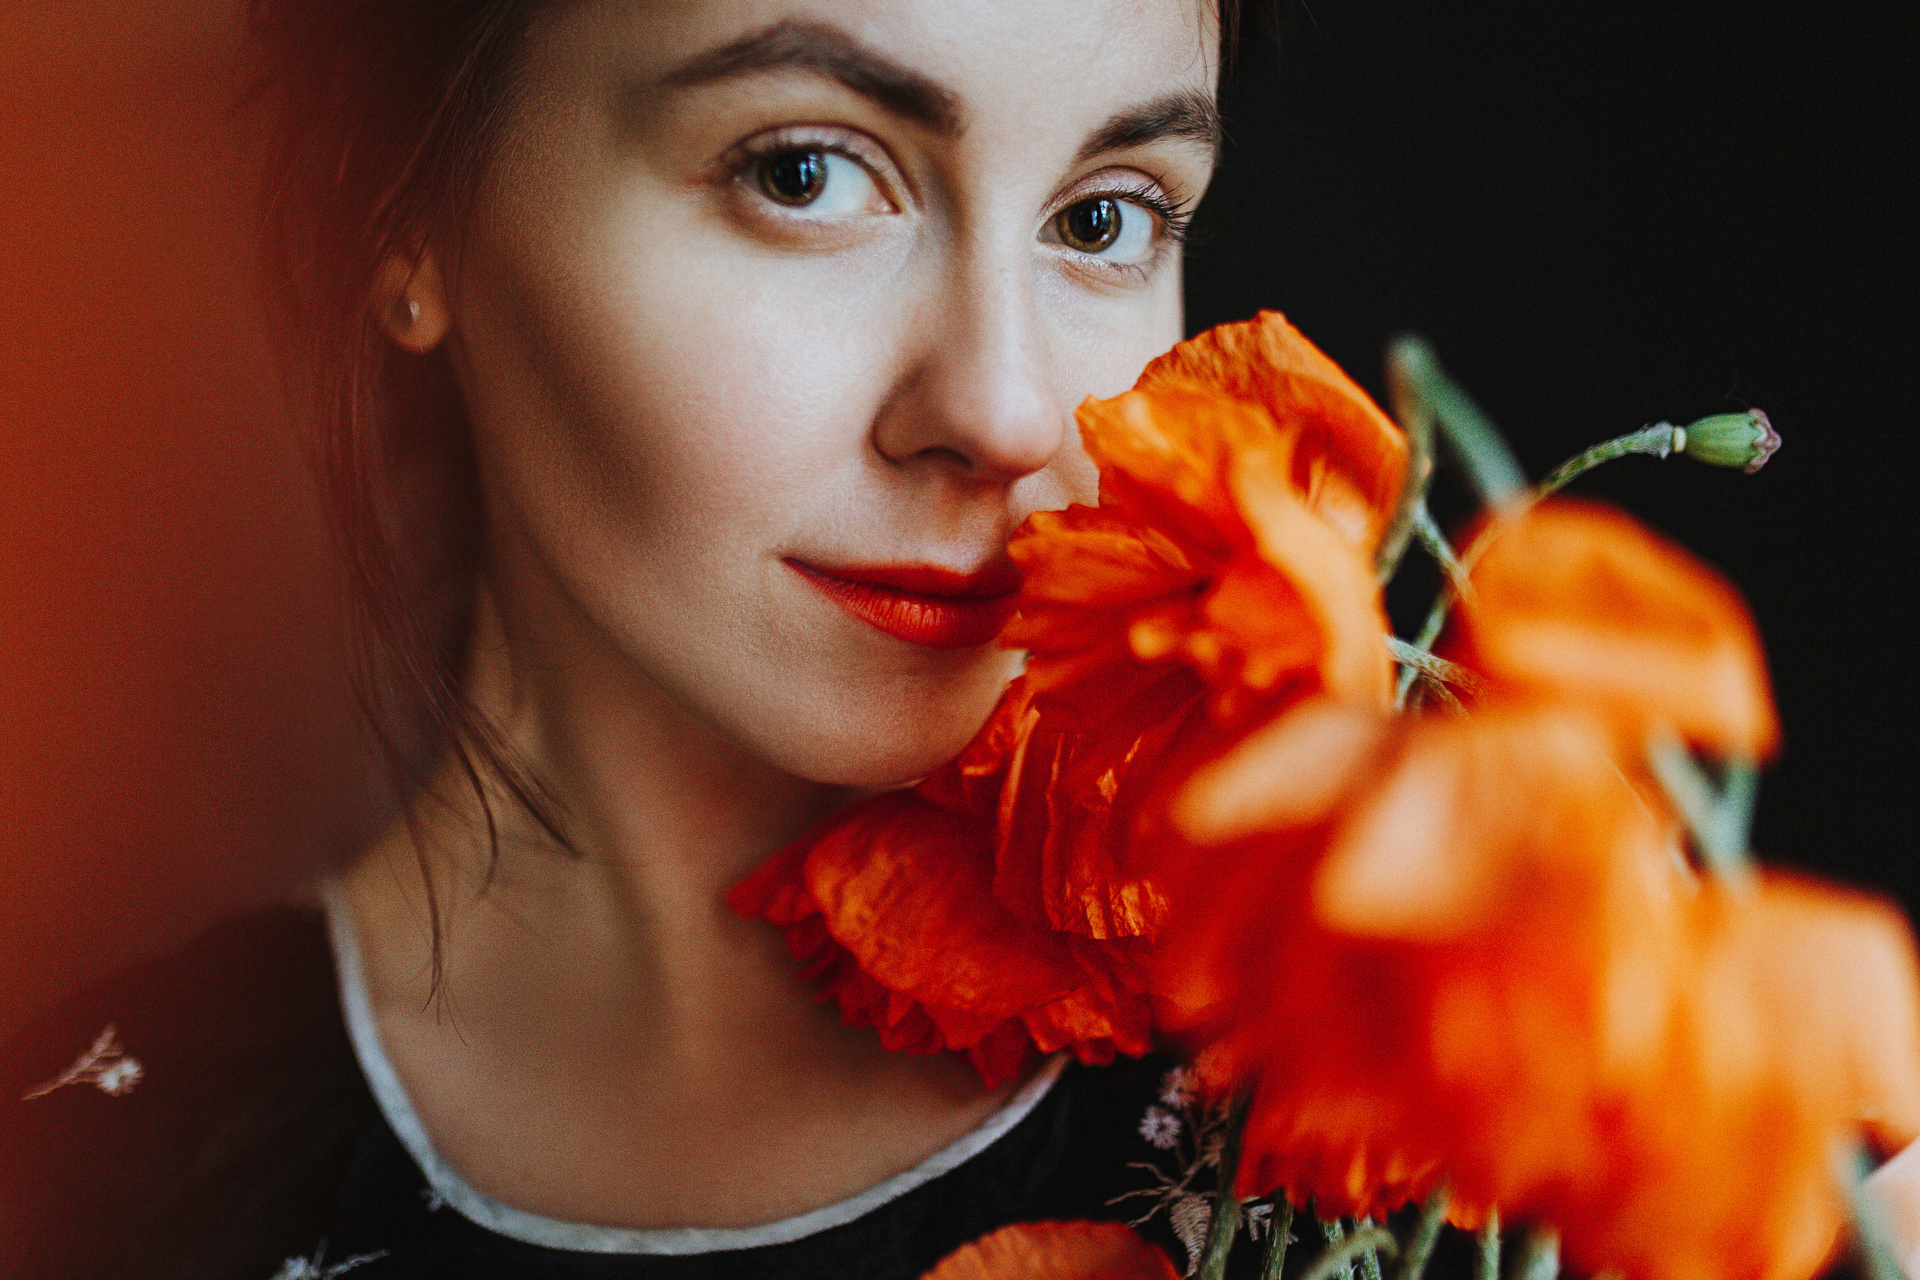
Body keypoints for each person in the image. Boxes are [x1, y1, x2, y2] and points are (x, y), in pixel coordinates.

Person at [0, 1, 1247, 1276]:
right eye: (802, 174)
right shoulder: (80, 1182)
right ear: (401, 209)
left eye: (1105, 219)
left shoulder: (1322, 1057)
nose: (1007, 414)